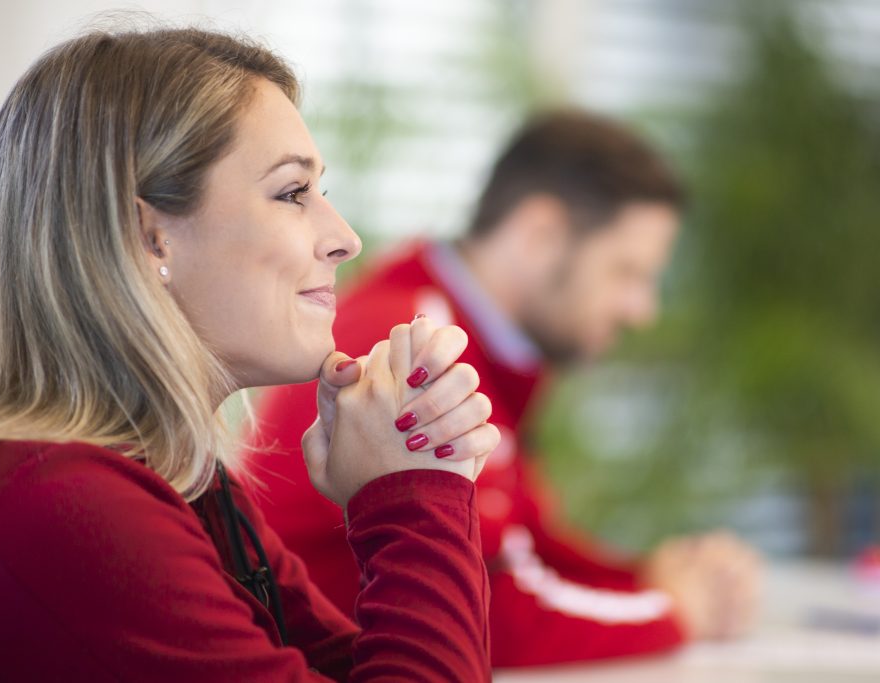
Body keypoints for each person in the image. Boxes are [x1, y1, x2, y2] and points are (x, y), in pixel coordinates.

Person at [0, 27, 501, 681]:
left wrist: (413, 473)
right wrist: (414, 493)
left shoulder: (177, 483)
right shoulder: (58, 510)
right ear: (149, 237)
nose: (345, 239)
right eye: (291, 193)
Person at [246, 111, 762, 667]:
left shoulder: (458, 330)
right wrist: (675, 611)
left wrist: (647, 577)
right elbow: (497, 615)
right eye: (626, 272)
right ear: (540, 234)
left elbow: (523, 552)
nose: (643, 310)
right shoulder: (419, 341)